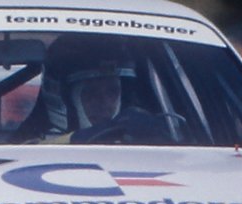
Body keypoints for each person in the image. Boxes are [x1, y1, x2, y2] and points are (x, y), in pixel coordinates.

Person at [19, 36, 171, 144]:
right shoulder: (27, 146)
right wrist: (80, 137)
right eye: (91, 93)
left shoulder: (144, 141)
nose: (104, 103)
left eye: (112, 92)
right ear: (63, 98)